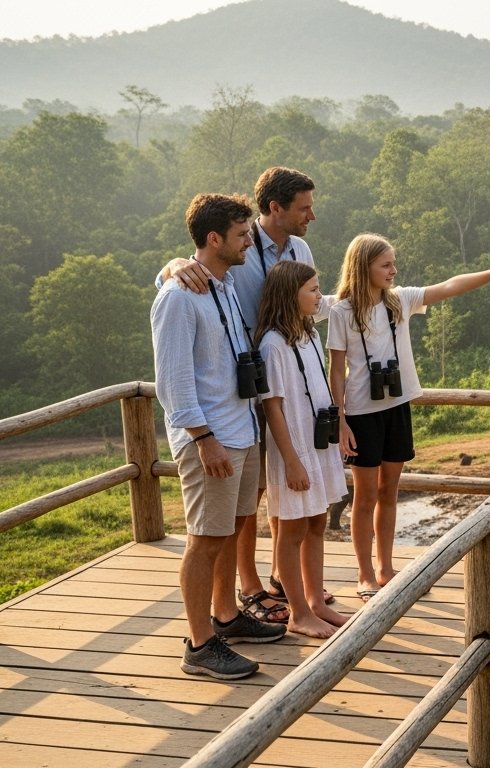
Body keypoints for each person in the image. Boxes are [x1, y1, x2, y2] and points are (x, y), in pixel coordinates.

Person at [161, 167, 335, 621]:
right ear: (274, 209)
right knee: (223, 520)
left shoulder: (293, 251)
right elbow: (184, 291)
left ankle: (272, 587)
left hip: (259, 391)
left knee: (262, 493)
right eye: (304, 207)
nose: (311, 215)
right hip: (233, 401)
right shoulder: (205, 274)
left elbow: (306, 301)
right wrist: (172, 267)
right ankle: (242, 594)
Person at [328, 233, 490, 600]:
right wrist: (339, 420)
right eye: (386, 264)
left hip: (397, 407)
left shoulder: (399, 301)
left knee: (390, 490)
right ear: (363, 267)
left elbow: (450, 286)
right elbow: (336, 369)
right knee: (365, 495)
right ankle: (364, 574)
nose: (394, 270)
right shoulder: (342, 311)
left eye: (393, 263)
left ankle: (386, 568)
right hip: (361, 414)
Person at [152, 193, 286, 680]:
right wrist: (202, 437)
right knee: (204, 539)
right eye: (241, 234)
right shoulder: (178, 297)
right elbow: (173, 379)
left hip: (240, 426)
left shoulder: (223, 284)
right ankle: (199, 644)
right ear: (214, 239)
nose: (249, 240)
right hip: (211, 435)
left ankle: (226, 617)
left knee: (231, 527)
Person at [254, 260, 349, 638]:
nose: (318, 296)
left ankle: (316, 602)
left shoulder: (307, 334)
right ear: (289, 296)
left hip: (317, 442)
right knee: (290, 532)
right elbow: (272, 406)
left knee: (317, 523)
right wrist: (291, 462)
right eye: (312, 289)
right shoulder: (272, 345)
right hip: (293, 450)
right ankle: (297, 613)